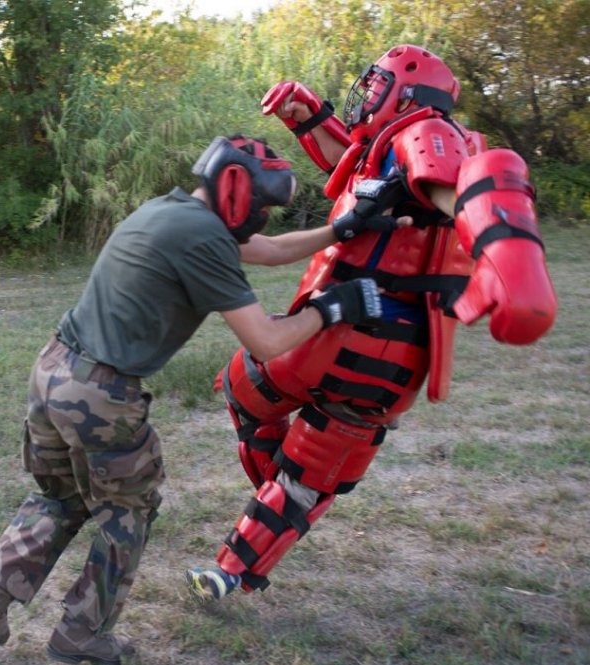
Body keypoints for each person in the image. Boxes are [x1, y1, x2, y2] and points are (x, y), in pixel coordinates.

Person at [0, 135, 404, 665]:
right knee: (128, 510)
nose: (262, 216)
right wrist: (333, 309)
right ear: (236, 187)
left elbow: (268, 249)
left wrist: (341, 230)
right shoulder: (205, 239)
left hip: (52, 371)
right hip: (101, 392)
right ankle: (81, 632)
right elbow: (265, 340)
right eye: (261, 203)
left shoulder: (170, 212)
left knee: (60, 499)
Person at [186, 45, 558, 601]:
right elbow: (355, 166)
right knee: (263, 415)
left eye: (379, 84)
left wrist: (504, 251)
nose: (369, 94)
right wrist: (309, 118)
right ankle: (267, 526)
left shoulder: (429, 135)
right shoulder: (392, 143)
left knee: (287, 436)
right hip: (339, 332)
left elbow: (449, 189)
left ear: (407, 92)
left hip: (373, 334)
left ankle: (248, 548)